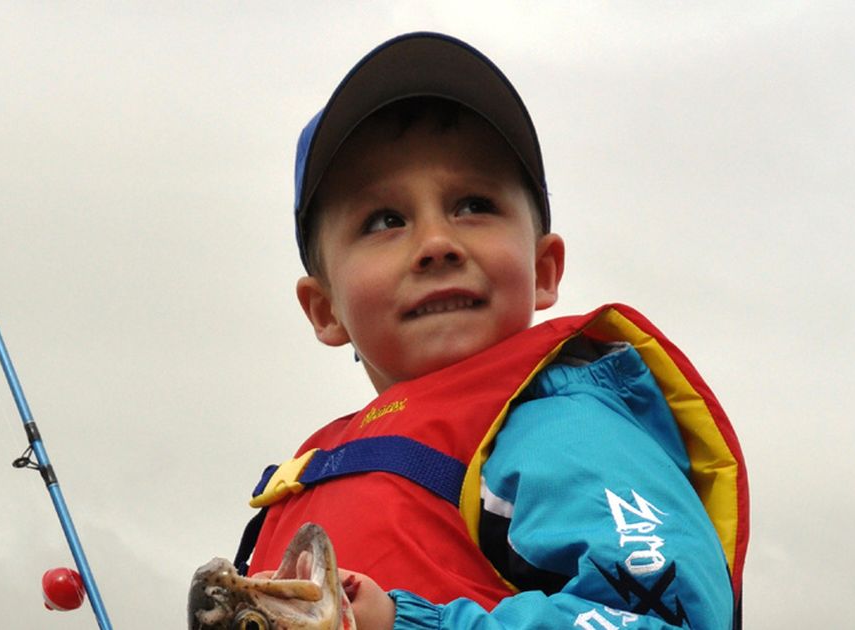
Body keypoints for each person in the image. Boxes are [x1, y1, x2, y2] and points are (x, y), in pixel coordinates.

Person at [234, 32, 748, 629]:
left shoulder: (570, 428)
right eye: (385, 219)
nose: (436, 244)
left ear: (544, 270)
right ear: (325, 311)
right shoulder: (312, 472)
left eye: (473, 204)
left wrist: (402, 624)